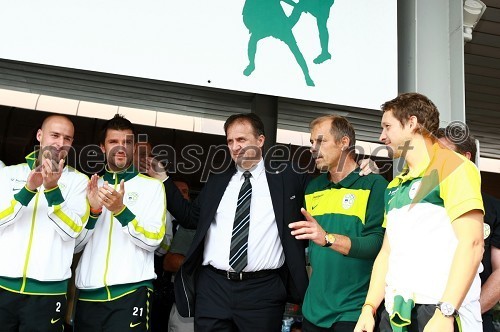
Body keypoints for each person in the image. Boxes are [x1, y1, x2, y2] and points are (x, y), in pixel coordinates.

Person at [146, 113, 310, 331]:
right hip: (214, 289)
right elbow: (190, 217)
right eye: (230, 141)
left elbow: (324, 195)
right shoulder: (218, 181)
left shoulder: (288, 178)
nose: (235, 147)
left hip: (263, 291)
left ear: (260, 141)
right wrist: (164, 180)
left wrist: (362, 172)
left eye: (241, 140)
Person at [354, 93, 484, 332]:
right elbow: (386, 253)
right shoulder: (394, 186)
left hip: (441, 311)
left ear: (412, 123)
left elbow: (473, 243)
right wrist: (369, 307)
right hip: (395, 313)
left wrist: (446, 311)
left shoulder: (455, 166)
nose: (381, 136)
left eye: (387, 126)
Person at [289, 115, 387, 331]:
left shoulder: (375, 185)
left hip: (353, 310)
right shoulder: (313, 187)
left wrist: (327, 239)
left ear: (344, 143)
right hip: (312, 310)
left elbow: (376, 245)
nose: (313, 148)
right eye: (312, 142)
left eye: (321, 141)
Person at [73, 114, 167, 332]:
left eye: (127, 142)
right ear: (103, 147)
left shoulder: (152, 187)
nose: (121, 147)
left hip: (131, 292)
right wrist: (94, 212)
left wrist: (120, 211)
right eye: (114, 142)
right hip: (88, 294)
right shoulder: (88, 186)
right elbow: (74, 244)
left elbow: (154, 240)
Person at [0, 115, 89, 331]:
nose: (60, 143)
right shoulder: (9, 173)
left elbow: (74, 232)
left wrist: (52, 191)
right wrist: (27, 191)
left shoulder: (79, 181)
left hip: (48, 293)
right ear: (40, 135)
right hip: (3, 286)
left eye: (67, 138)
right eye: (55, 135)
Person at [437, 125, 500, 332]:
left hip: (475, 319)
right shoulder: (420, 204)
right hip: (424, 316)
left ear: (466, 157)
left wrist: (461, 313)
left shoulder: (493, 208)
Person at [164, 179, 196, 332]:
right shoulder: (155, 215)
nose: (185, 196)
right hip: (168, 291)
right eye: (180, 192)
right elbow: (169, 261)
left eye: (187, 192)